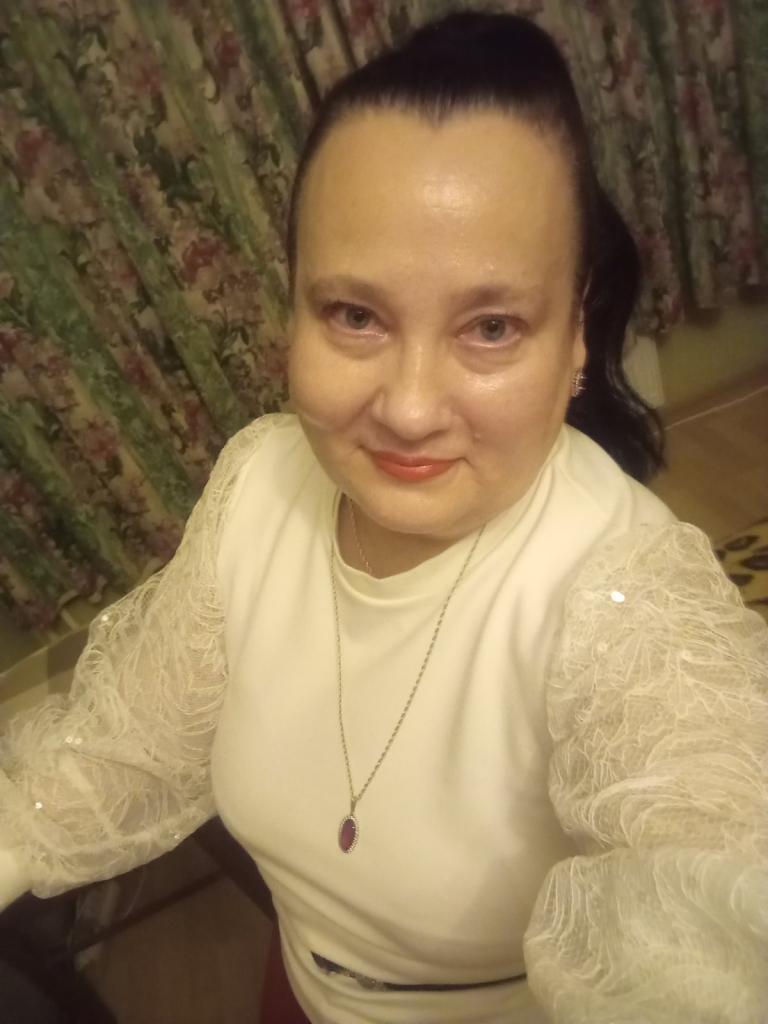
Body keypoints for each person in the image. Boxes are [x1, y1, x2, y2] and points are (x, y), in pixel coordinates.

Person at [1, 11, 766, 1024]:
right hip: (293, 984)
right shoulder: (258, 480)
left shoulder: (630, 602)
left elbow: (717, 897)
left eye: (491, 326)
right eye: (355, 315)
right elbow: (119, 743)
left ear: (576, 335)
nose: (408, 408)